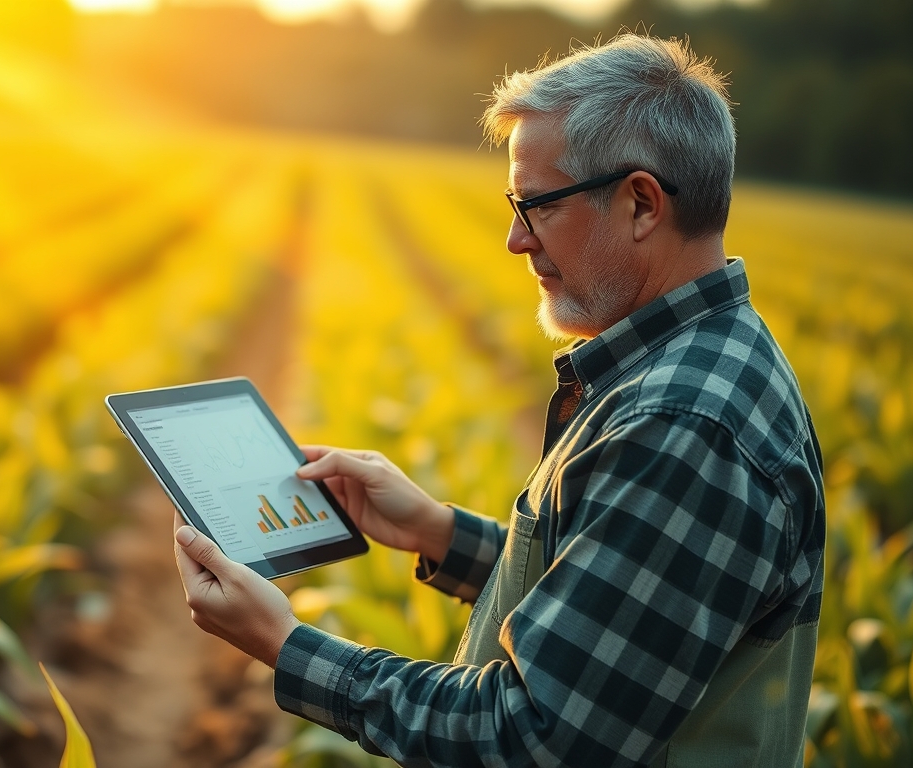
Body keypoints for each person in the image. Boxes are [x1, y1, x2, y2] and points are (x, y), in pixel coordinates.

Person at [172, 33, 825, 767]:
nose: (515, 239)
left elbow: (531, 736)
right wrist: (440, 534)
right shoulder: (708, 360)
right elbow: (628, 618)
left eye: (537, 205)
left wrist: (284, 644)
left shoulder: (684, 426)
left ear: (642, 203)